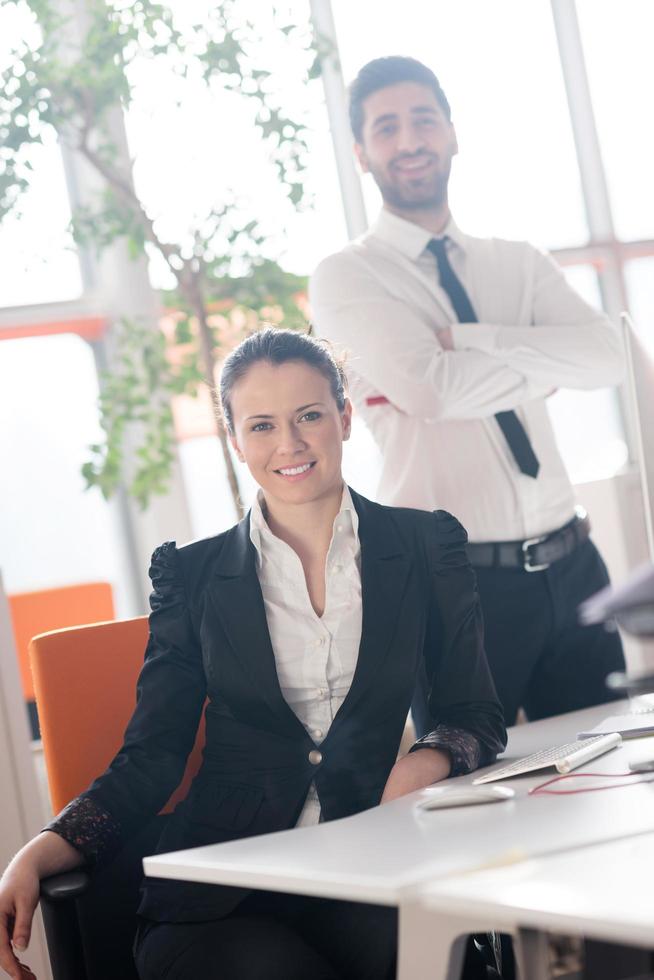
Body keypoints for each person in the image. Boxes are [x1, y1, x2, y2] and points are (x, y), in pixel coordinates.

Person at [0, 328, 506, 980]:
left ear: (345, 417)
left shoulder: (424, 545)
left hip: (370, 869)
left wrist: (422, 764)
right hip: (221, 898)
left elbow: (474, 711)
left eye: (310, 416)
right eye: (262, 425)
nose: (289, 444)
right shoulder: (194, 575)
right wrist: (41, 850)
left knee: (436, 956)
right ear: (235, 440)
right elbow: (151, 757)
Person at [310, 55, 626, 730]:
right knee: (468, 790)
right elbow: (431, 391)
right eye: (387, 128)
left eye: (424, 120)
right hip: (455, 585)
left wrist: (476, 340)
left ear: (453, 133)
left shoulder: (518, 261)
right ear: (362, 154)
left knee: (615, 777)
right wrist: (544, 360)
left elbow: (609, 356)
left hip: (575, 569)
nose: (410, 141)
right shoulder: (347, 277)